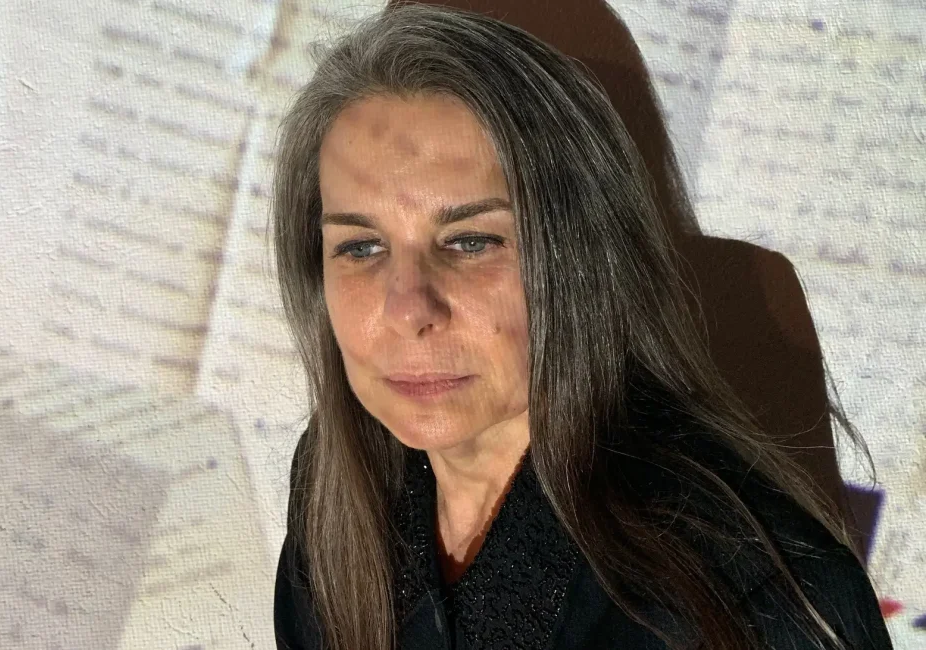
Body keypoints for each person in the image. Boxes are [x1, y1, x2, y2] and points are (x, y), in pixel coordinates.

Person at [269, 4, 892, 650]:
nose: (409, 309)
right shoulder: (338, 488)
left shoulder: (753, 594)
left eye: (471, 241)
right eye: (361, 247)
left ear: (579, 259)